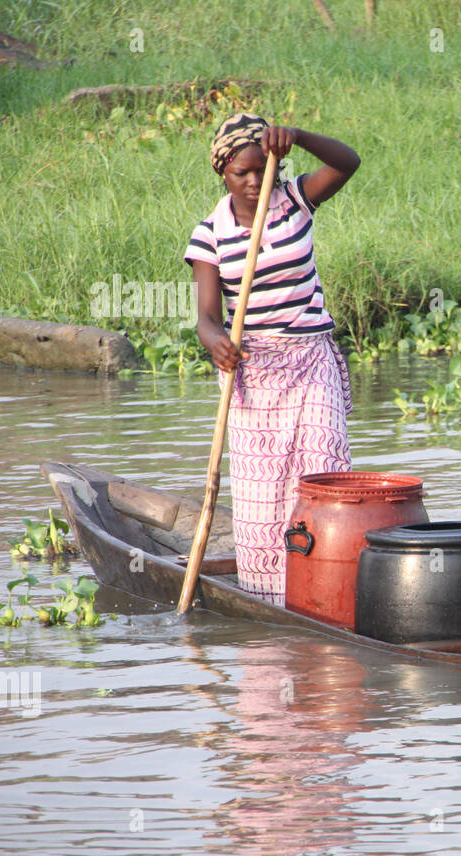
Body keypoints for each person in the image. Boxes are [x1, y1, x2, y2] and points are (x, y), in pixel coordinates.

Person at [184, 113, 361, 605]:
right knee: (264, 500)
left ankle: (328, 589)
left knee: (323, 480)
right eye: (243, 172)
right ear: (223, 172)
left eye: (264, 168)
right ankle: (271, 598)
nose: (255, 180)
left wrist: (299, 136)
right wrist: (216, 342)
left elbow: (348, 162)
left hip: (310, 361)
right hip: (253, 373)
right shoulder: (210, 234)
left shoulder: (295, 200)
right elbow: (206, 316)